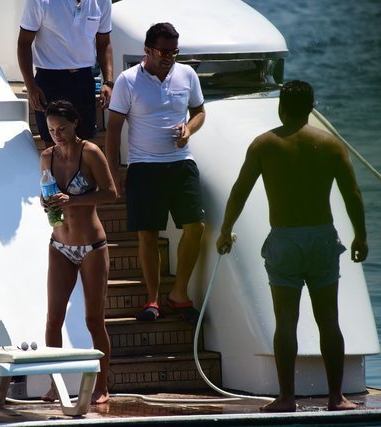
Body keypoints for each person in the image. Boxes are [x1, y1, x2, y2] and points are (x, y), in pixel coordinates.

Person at [216, 80, 368, 412]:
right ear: (310, 109)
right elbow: (353, 194)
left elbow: (240, 190)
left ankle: (286, 398)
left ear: (281, 108)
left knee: (285, 321)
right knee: (329, 320)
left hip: (284, 239)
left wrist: (226, 230)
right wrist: (360, 235)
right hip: (322, 238)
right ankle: (337, 397)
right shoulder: (330, 144)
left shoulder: (265, 144)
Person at [105, 22, 206, 322]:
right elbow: (113, 128)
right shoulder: (128, 80)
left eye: (174, 51)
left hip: (181, 162)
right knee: (148, 233)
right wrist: (113, 170)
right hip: (144, 166)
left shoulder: (187, 74)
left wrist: (188, 129)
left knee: (196, 227)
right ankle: (152, 299)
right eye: (164, 52)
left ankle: (179, 295)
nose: (169, 57)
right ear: (147, 50)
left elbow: (199, 112)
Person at [40, 100, 117, 404]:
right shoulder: (47, 156)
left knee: (94, 320)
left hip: (91, 246)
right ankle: (55, 384)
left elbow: (111, 193)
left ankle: (102, 386)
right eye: (51, 130)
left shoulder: (90, 152)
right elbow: (46, 192)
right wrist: (47, 202)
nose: (57, 135)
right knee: (53, 318)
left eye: (62, 128)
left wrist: (71, 200)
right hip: (59, 244)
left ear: (75, 123)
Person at [17, 0, 114, 147]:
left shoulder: (102, 2)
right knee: (54, 144)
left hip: (84, 79)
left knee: (84, 143)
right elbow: (24, 43)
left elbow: (104, 43)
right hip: (49, 81)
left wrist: (108, 82)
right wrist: (31, 86)